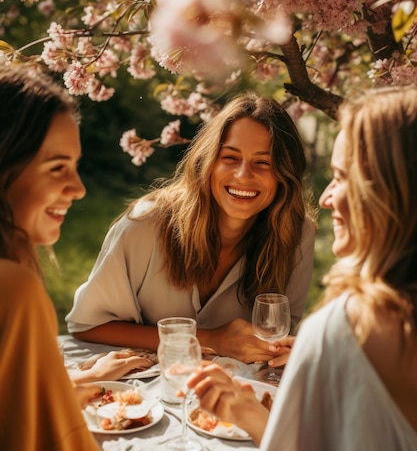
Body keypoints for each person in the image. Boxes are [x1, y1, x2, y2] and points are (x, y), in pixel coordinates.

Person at [191, 86, 417, 451]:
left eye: (342, 176)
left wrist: (255, 413)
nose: (329, 197)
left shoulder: (349, 329)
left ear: (389, 190)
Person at [65, 92, 317, 365]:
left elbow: (282, 335)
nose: (244, 175)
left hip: (238, 393)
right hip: (144, 394)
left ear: (285, 173)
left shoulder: (297, 233)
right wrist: (209, 339)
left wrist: (286, 348)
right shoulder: (144, 226)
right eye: (230, 157)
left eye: (263, 162)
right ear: (206, 162)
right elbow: (88, 325)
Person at [0, 64, 134, 451]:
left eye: (75, 167)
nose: (77, 189)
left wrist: (69, 385)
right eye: (58, 167)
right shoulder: (13, 292)